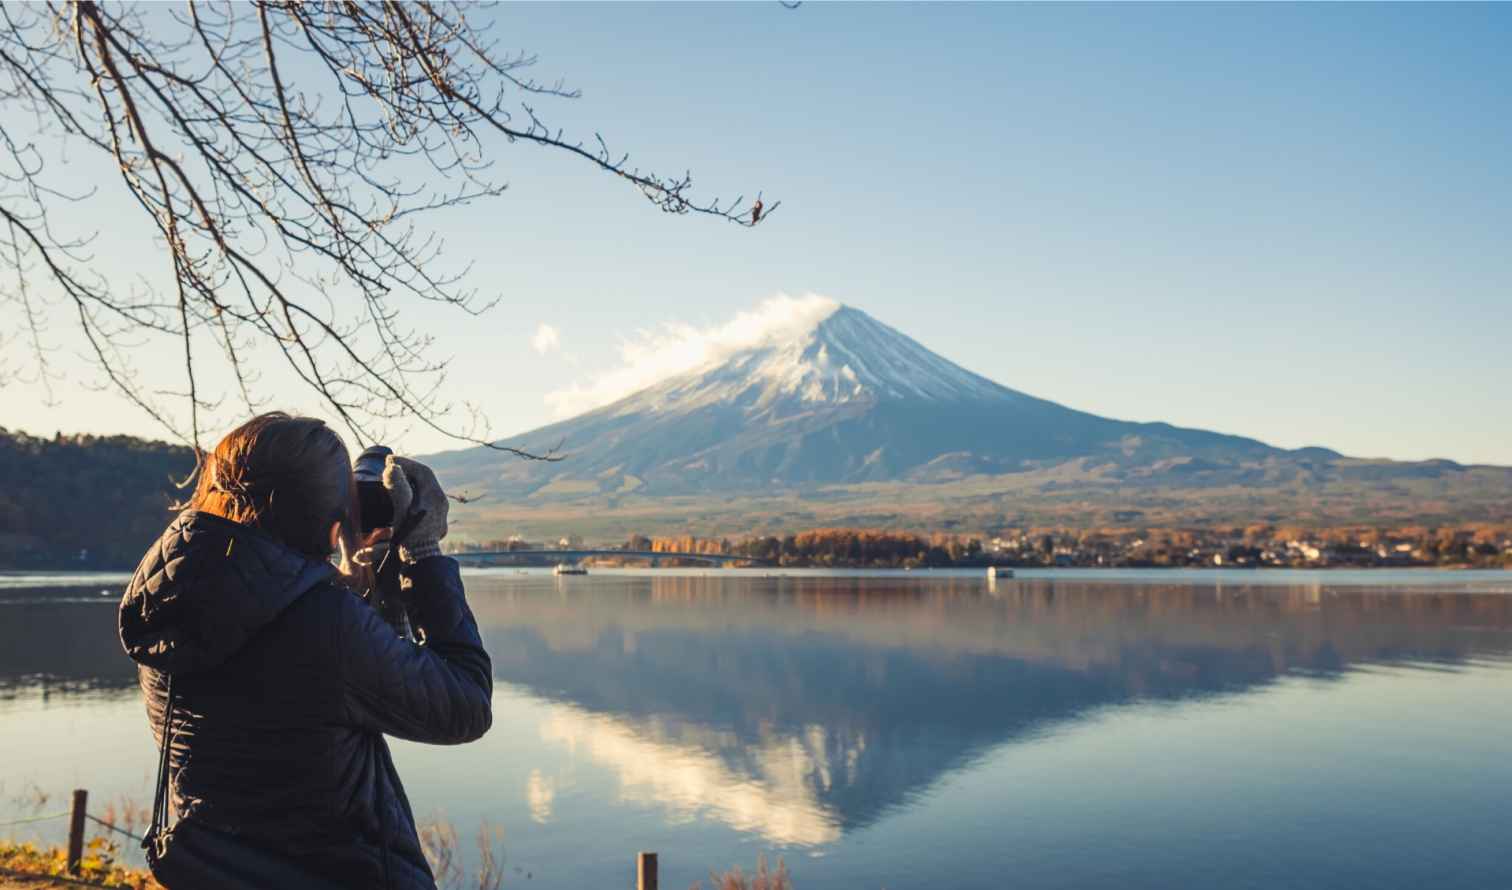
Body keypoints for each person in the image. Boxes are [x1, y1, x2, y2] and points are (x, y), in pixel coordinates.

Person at [117, 412, 492, 889]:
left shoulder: (169, 602)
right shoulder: (325, 624)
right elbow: (465, 705)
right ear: (331, 518)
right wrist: (422, 555)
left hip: (213, 874)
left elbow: (302, 708)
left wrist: (352, 586)